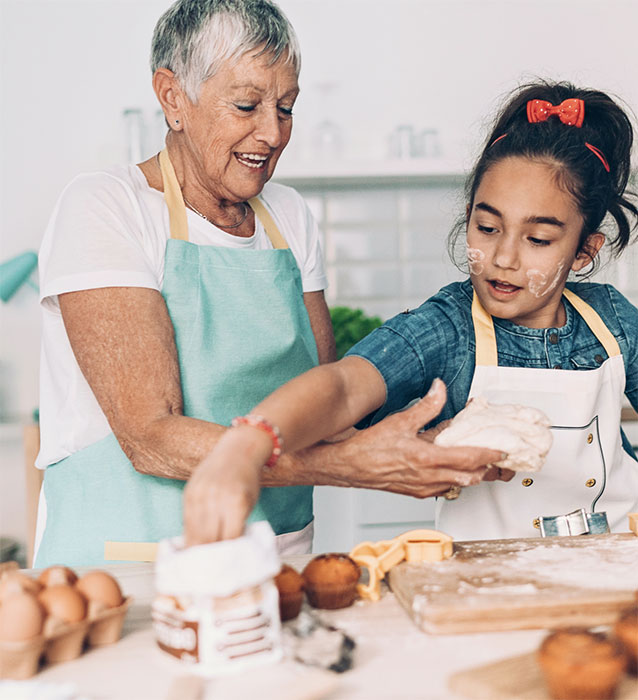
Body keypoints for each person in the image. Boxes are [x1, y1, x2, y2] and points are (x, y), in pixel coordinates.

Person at [34, 0, 502, 567]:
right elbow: (150, 438)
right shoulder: (107, 207)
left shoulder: (289, 216)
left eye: (285, 107)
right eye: (246, 105)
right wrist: (348, 465)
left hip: (276, 556)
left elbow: (325, 405)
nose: (272, 133)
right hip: (136, 564)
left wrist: (423, 440)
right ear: (173, 97)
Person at [188, 80, 638, 545]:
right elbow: (343, 386)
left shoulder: (615, 324)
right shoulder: (450, 328)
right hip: (490, 592)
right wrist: (247, 445)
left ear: (585, 250)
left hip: (614, 580)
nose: (504, 257)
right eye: (487, 227)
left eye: (538, 239)